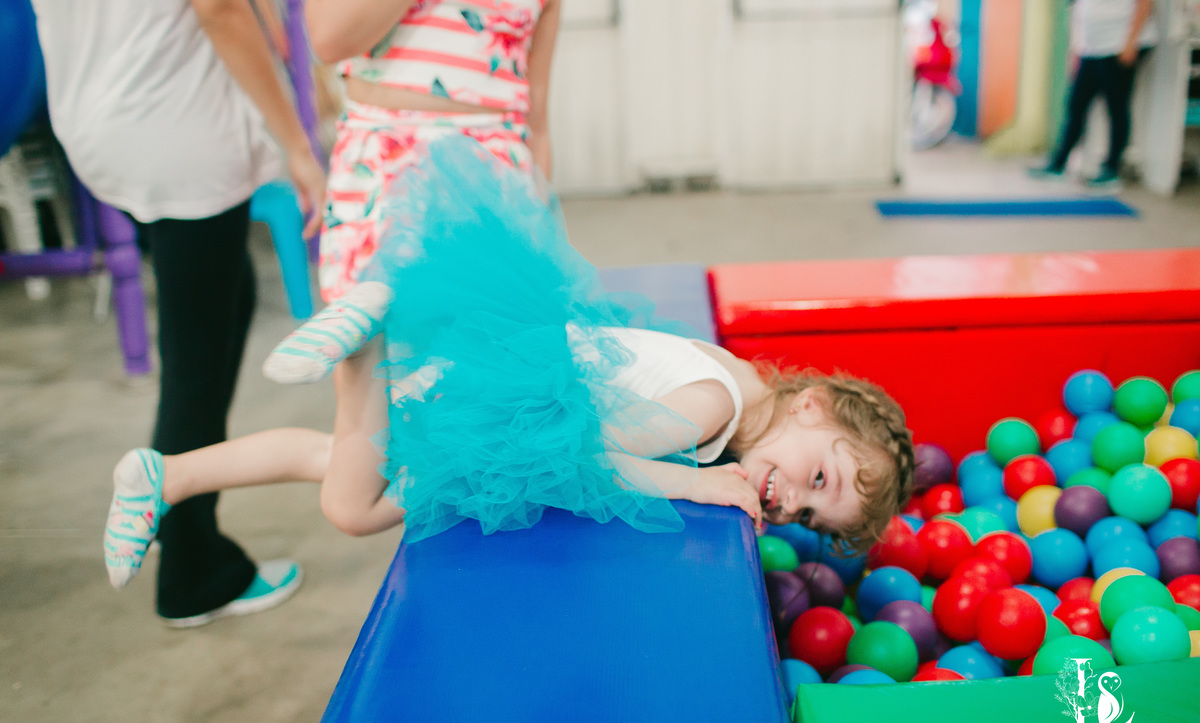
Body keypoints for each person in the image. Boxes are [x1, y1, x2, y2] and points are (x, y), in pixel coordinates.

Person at [101, 137, 916, 591]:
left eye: (812, 517)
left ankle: (164, 477)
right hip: (505, 406)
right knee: (355, 504)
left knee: (334, 461)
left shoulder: (736, 380)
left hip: (500, 382)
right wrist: (695, 482)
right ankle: (363, 356)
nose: (793, 502)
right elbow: (587, 455)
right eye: (820, 479)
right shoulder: (713, 408)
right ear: (811, 406)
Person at [32, 0, 326, 626]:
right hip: (173, 129)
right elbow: (220, 9)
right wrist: (297, 144)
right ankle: (195, 573)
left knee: (227, 301)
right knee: (196, 361)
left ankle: (168, 515)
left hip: (100, 122)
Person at [262, 0, 561, 384]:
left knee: (483, 385)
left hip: (496, 179)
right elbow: (328, 40)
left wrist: (537, 223)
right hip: (381, 168)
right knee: (371, 396)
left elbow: (537, 121)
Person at [1029, 0, 1157, 189]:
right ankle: (1058, 164)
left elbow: (1145, 3)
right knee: (1076, 104)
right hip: (1092, 47)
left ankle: (1112, 170)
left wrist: (1131, 42)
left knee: (1116, 106)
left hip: (1117, 44)